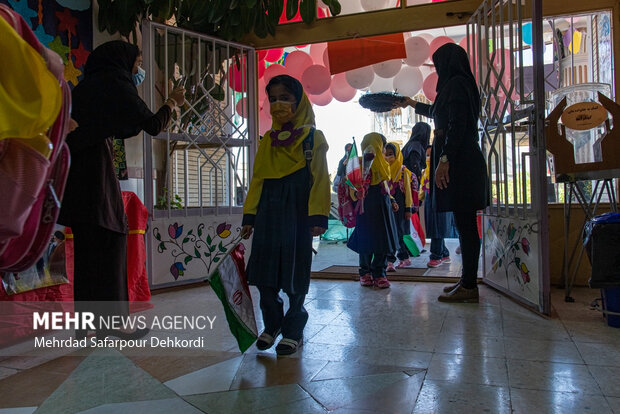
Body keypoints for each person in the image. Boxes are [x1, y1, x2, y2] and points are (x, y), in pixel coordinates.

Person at [58, 40, 186, 338]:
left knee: (88, 254)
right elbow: (152, 125)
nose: (137, 69)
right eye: (137, 62)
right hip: (95, 174)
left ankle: (86, 327)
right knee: (112, 246)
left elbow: (114, 126)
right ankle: (114, 324)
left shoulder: (83, 88)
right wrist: (172, 102)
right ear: (122, 61)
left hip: (75, 176)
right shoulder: (115, 84)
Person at [240, 75, 330, 356]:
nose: (279, 104)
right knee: (264, 273)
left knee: (294, 274)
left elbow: (320, 180)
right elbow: (258, 180)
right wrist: (249, 216)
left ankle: (293, 329)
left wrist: (318, 216)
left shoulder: (313, 138)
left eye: (286, 98)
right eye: (274, 98)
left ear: (299, 101)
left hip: (297, 215)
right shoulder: (268, 141)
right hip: (268, 213)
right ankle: (272, 324)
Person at [400, 43, 489, 303]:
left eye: (439, 64)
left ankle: (470, 286)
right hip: (462, 161)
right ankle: (466, 281)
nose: (437, 70)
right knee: (464, 225)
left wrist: (445, 158)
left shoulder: (457, 84)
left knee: (466, 226)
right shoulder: (459, 84)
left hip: (461, 162)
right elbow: (440, 113)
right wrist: (411, 103)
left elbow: (457, 124)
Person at [347, 133, 399, 289]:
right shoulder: (359, 163)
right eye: (381, 146)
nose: (382, 150)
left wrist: (392, 200)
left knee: (383, 241)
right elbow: (351, 184)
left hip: (382, 206)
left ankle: (380, 273)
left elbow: (386, 186)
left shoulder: (383, 164)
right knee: (366, 240)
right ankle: (365, 272)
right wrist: (356, 193)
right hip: (366, 206)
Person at [385, 142, 414, 270]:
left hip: (401, 206)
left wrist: (408, 209)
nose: (388, 157)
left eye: (391, 154)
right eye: (385, 154)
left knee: (398, 232)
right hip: (388, 204)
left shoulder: (404, 171)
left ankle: (395, 259)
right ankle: (399, 258)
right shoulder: (383, 169)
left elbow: (408, 192)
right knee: (391, 232)